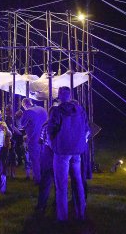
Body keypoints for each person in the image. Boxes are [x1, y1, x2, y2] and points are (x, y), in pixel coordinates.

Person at [48, 86, 90, 222]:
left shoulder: (57, 111)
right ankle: (81, 213)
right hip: (76, 152)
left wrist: (54, 144)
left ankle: (62, 218)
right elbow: (86, 129)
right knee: (78, 182)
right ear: (70, 95)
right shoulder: (80, 110)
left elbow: (51, 130)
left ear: (60, 95)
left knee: (61, 184)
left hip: (62, 151)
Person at [20, 98, 48, 184]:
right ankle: (45, 178)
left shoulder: (28, 112)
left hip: (34, 138)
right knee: (43, 159)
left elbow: (22, 124)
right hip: (45, 138)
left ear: (25, 105)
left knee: (35, 160)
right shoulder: (42, 109)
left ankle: (38, 179)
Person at [35, 106, 56, 214]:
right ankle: (57, 205)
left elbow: (40, 141)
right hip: (58, 155)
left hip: (47, 155)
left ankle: (41, 205)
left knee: (45, 182)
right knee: (58, 182)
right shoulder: (60, 125)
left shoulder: (46, 126)